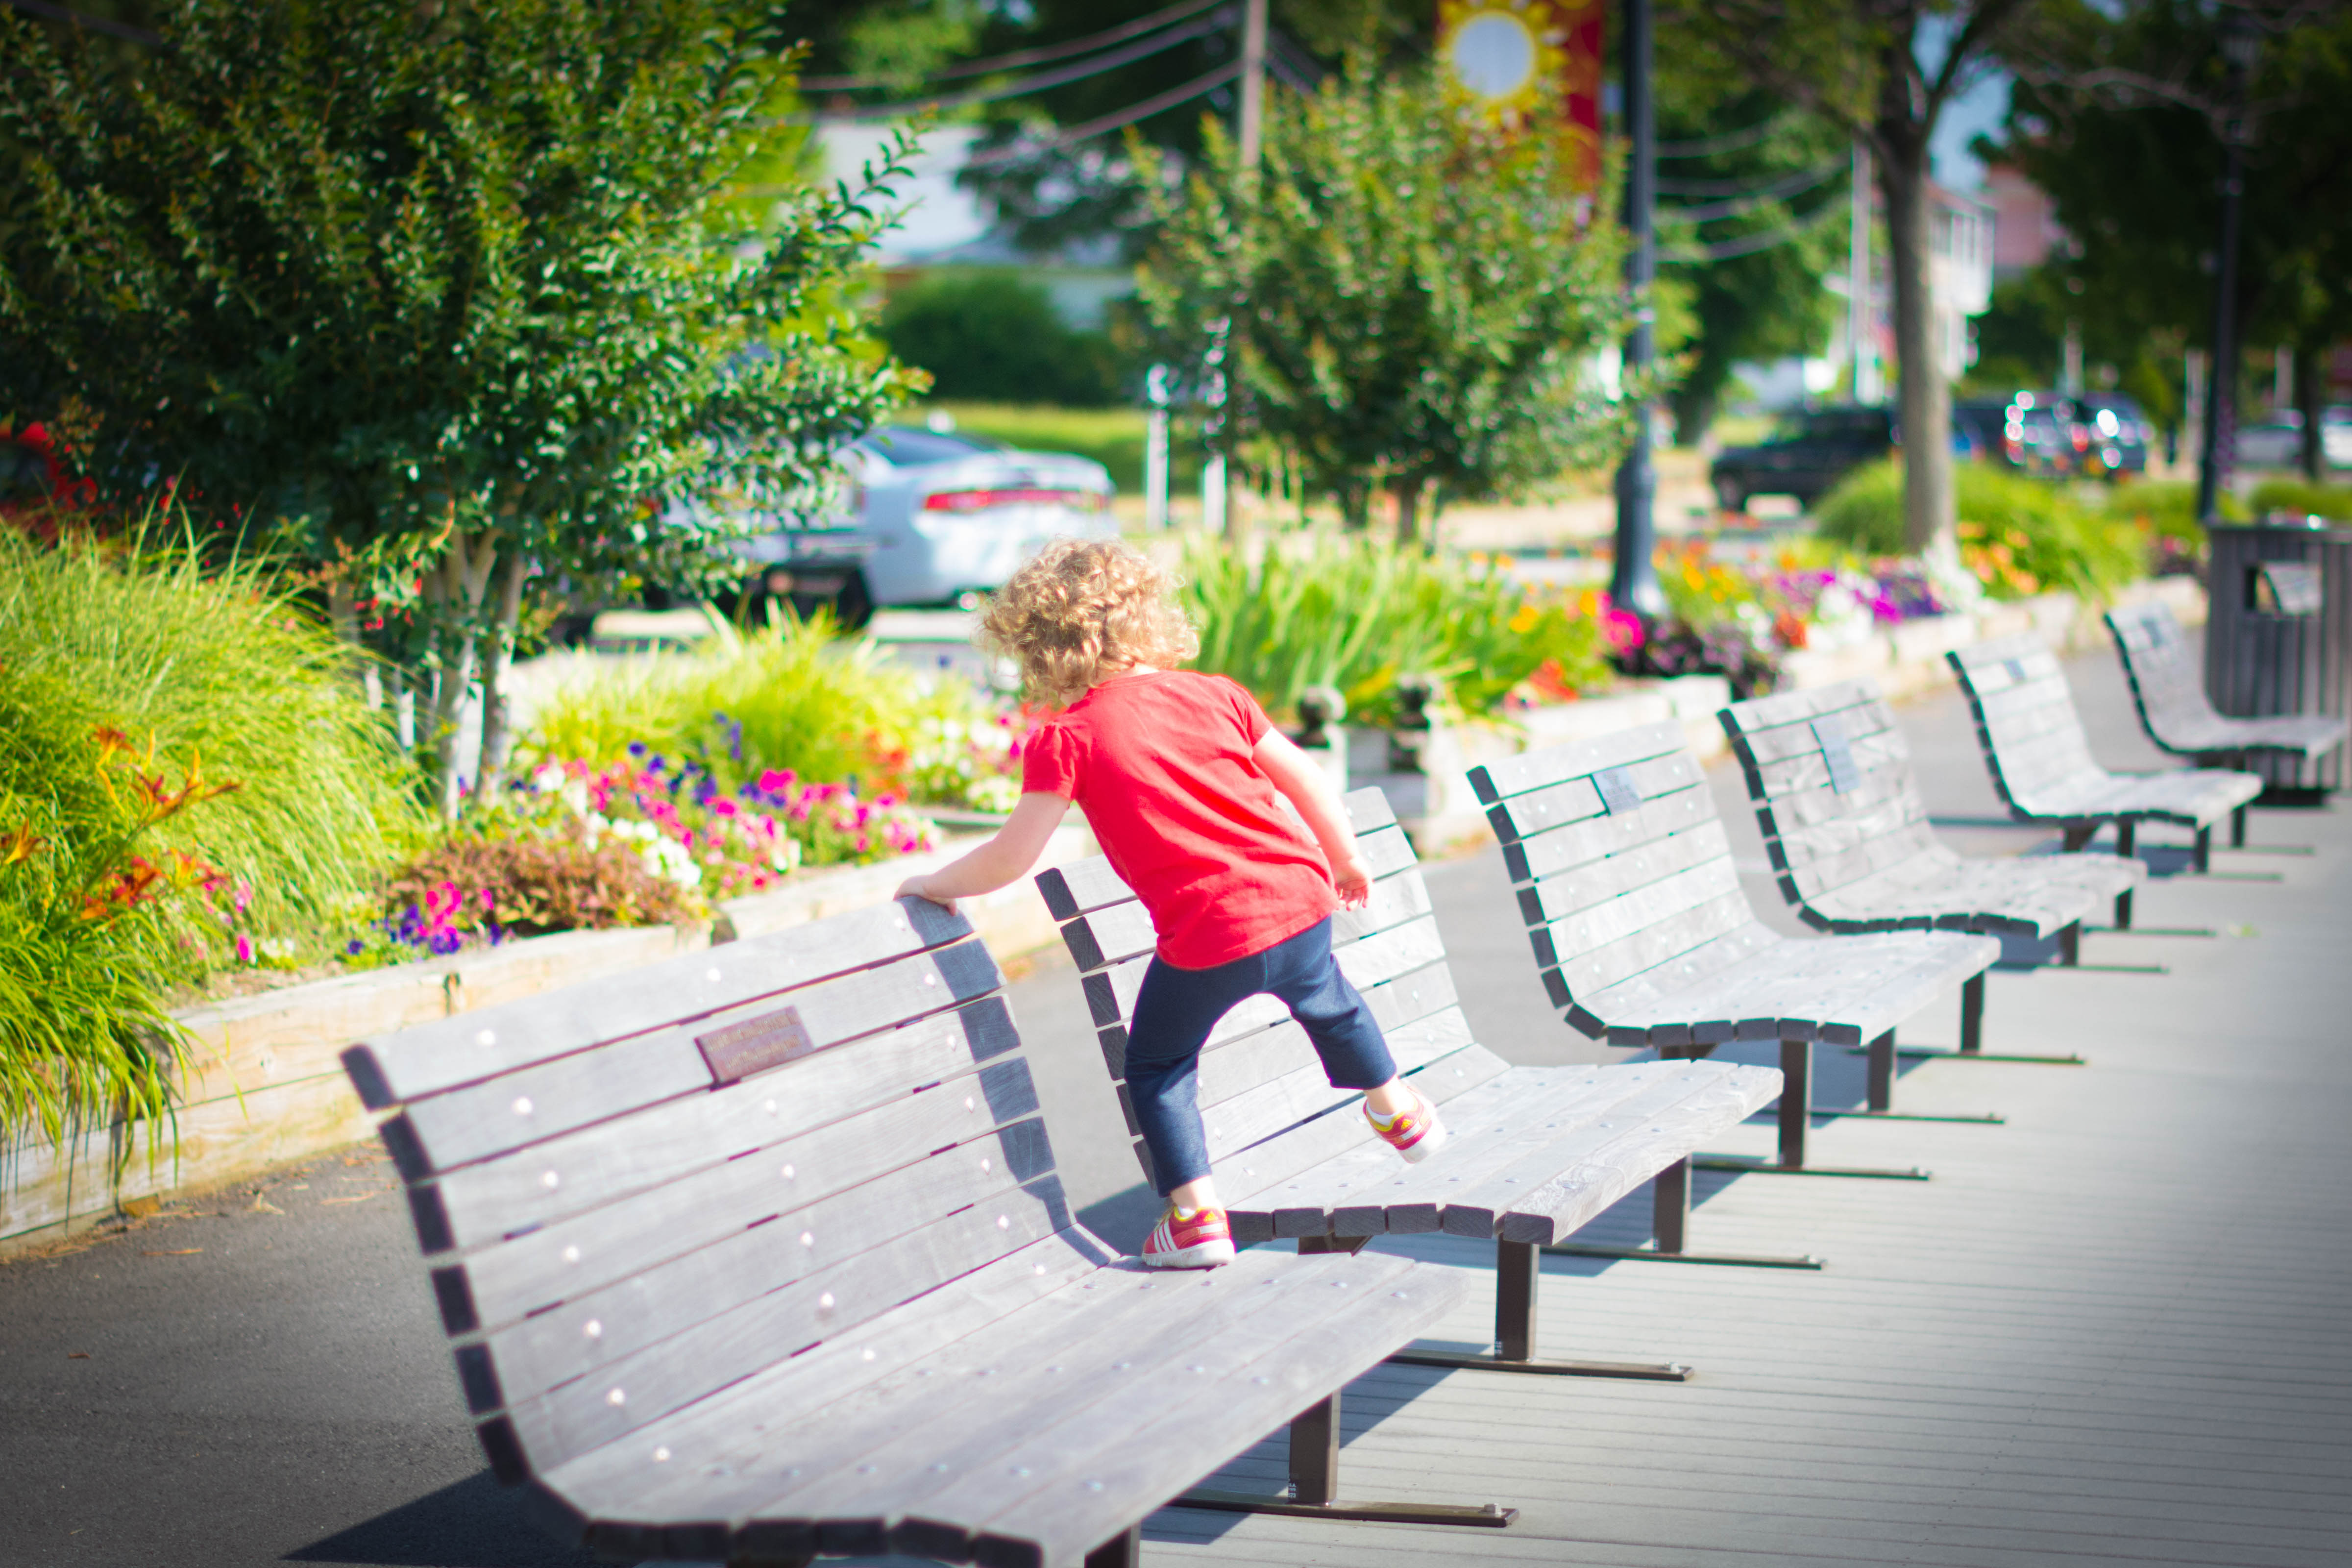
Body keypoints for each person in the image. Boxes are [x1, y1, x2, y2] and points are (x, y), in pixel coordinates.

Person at [896, 539, 1446, 1270]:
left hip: (1210, 933)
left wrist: (930, 885)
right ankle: (1396, 1106)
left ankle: (1194, 1217)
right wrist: (1345, 858)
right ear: (1147, 620)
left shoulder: (1068, 737)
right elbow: (1307, 779)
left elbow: (1013, 856)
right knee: (1331, 1003)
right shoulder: (1218, 694)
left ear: (1041, 650)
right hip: (1302, 899)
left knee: (1157, 1065)